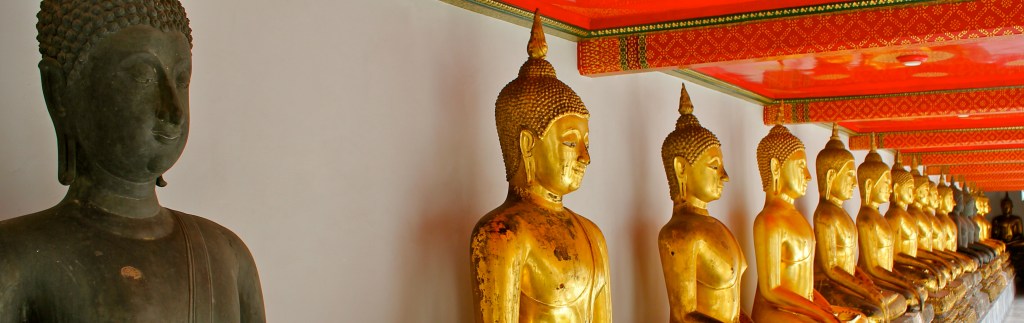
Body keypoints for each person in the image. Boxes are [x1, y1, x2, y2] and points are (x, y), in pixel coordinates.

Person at [0, 1, 266, 321]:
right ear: (58, 92)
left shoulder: (226, 253)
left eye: (182, 80)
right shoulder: (16, 256)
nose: (173, 111)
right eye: (142, 77)